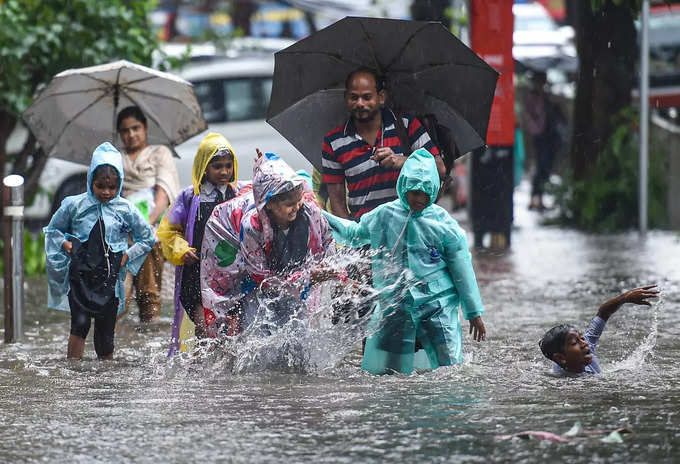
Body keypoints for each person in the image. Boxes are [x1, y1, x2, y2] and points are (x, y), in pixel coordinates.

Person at [322, 148, 486, 375]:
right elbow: (355, 233)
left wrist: (474, 313)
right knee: (385, 374)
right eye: (413, 192)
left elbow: (462, 270)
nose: (418, 199)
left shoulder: (445, 226)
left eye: (424, 193)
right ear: (402, 187)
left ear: (434, 190)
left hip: (437, 304)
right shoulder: (385, 215)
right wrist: (321, 216)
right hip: (396, 302)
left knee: (451, 370)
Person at [44, 142, 155, 360]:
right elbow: (53, 229)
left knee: (105, 337)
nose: (106, 192)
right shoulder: (74, 205)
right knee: (80, 325)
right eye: (100, 186)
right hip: (80, 278)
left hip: (110, 280)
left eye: (112, 187)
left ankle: (106, 381)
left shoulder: (126, 209)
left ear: (120, 184)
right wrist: (66, 245)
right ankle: (74, 373)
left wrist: (127, 256)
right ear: (90, 181)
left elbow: (147, 238)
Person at [156, 133, 250, 354]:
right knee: (204, 329)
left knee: (231, 332)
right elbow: (168, 232)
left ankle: (223, 377)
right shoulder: (190, 198)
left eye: (228, 166)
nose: (224, 172)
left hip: (230, 275)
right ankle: (200, 373)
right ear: (204, 168)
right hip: (196, 275)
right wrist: (181, 250)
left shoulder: (239, 195)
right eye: (217, 166)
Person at [322, 68, 445, 220]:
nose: (360, 103)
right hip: (365, 237)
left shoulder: (406, 125)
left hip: (410, 232)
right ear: (346, 97)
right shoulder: (333, 142)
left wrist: (403, 161)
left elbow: (439, 168)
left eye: (367, 97)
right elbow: (337, 203)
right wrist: (353, 236)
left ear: (381, 97)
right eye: (354, 97)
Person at [239, 150, 339, 332]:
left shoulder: (310, 213)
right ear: (268, 204)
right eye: (289, 205)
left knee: (298, 336)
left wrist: (334, 272)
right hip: (257, 287)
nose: (296, 207)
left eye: (298, 200)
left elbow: (327, 240)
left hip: (297, 283)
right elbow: (261, 278)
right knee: (257, 336)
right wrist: (308, 276)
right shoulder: (252, 228)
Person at [116, 105, 180, 323]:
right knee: (117, 302)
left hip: (152, 226)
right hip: (121, 231)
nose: (131, 134)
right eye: (125, 130)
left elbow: (164, 193)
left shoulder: (159, 153)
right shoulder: (115, 159)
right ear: (120, 134)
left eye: (136, 128)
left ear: (145, 128)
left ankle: (149, 321)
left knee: (148, 295)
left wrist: (145, 224)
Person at [539, 285, 659, 376]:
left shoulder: (586, 348)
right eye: (574, 343)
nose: (584, 343)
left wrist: (625, 298)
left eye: (581, 338)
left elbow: (603, 313)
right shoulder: (563, 384)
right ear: (561, 358)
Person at [525, 71, 565, 211]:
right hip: (539, 136)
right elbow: (532, 117)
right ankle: (534, 198)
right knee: (541, 168)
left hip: (549, 137)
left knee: (545, 169)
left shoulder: (546, 96)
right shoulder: (533, 97)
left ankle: (539, 198)